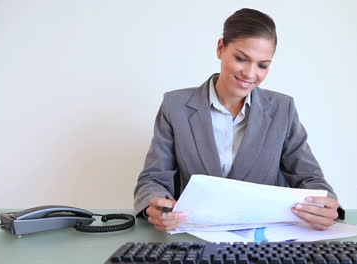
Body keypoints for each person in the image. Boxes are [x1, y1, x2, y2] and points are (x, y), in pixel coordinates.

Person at [134, 8, 345, 232]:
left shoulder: (283, 109)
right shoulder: (175, 106)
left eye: (262, 65)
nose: (250, 74)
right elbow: (153, 179)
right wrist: (158, 206)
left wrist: (327, 204)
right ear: (220, 48)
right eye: (241, 59)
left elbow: (310, 178)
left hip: (262, 240)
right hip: (193, 235)